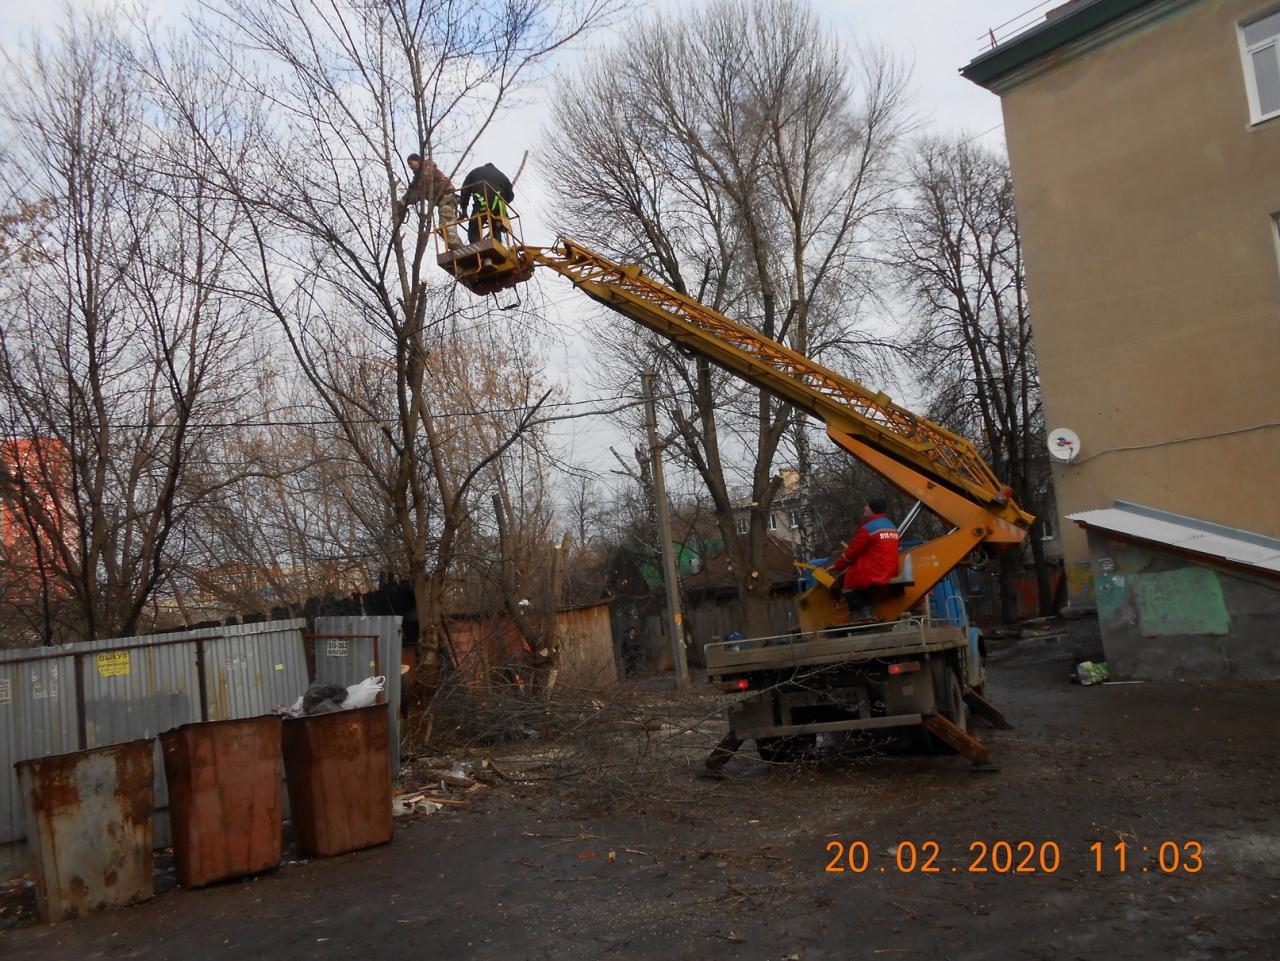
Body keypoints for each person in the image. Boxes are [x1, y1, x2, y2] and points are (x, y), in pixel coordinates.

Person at [828, 498, 901, 621]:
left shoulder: (868, 528)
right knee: (859, 582)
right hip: (890, 570)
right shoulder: (892, 526)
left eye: (866, 506)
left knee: (844, 580)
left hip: (874, 571)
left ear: (872, 509)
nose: (864, 508)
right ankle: (869, 610)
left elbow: (851, 552)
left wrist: (837, 566)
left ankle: (862, 611)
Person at [399, 152, 461, 249]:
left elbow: (421, 189)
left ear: (417, 161)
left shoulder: (426, 169)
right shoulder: (420, 176)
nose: (410, 167)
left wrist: (406, 201)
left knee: (446, 224)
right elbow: (414, 189)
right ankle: (457, 246)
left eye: (411, 163)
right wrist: (404, 200)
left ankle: (456, 246)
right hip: (443, 199)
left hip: (446, 197)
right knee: (444, 227)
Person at [459, 162, 515, 244]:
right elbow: (510, 196)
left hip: (482, 202)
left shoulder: (474, 172)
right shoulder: (503, 176)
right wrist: (503, 200)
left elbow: (465, 190)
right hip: (498, 205)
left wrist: (464, 209)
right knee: (496, 226)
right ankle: (497, 245)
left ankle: (478, 249)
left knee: (474, 229)